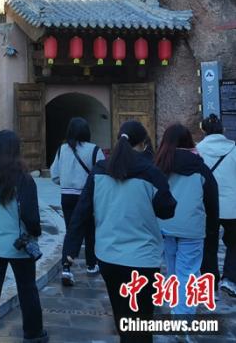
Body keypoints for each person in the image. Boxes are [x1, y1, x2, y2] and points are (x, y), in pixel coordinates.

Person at [63, 121, 176, 343]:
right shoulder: (151, 173)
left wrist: (70, 249)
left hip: (109, 257)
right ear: (143, 144)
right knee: (141, 323)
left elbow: (81, 213)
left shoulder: (99, 171)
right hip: (142, 259)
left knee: (122, 316)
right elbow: (167, 210)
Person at [0, 130, 49, 343]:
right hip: (19, 245)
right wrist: (34, 233)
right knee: (27, 290)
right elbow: (30, 216)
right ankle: (33, 334)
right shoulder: (24, 179)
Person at [155, 123, 218, 316]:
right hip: (192, 228)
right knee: (188, 273)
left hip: (165, 225)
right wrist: (212, 230)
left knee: (172, 270)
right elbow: (212, 202)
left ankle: (176, 307)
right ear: (189, 141)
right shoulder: (200, 167)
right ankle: (182, 317)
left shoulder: (159, 166)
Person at [50, 117, 105, 285]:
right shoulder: (94, 150)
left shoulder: (62, 150)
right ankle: (91, 264)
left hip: (67, 196)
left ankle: (66, 268)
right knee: (90, 230)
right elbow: (102, 176)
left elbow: (54, 175)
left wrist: (67, 182)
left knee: (72, 231)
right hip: (86, 196)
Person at [197, 114, 236, 297]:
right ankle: (230, 279)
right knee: (234, 243)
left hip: (207, 206)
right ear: (223, 130)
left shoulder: (198, 150)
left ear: (203, 130)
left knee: (208, 244)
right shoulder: (234, 149)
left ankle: (209, 282)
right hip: (232, 206)